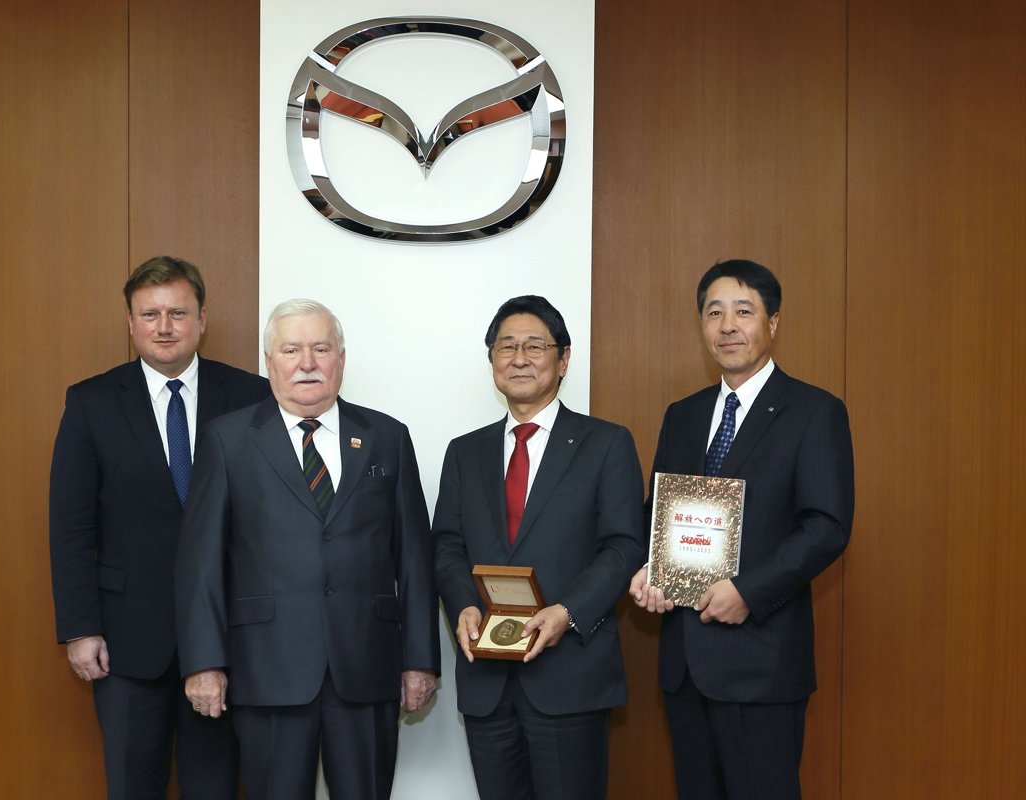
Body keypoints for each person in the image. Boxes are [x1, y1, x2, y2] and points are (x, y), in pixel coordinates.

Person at [174, 299, 440, 800]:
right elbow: (200, 564)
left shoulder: (387, 437)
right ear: (268, 362)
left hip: (366, 667)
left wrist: (420, 660)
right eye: (291, 350)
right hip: (266, 669)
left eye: (321, 348)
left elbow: (415, 560)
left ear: (341, 358)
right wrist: (204, 662)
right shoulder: (227, 441)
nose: (307, 363)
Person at [630, 259, 854, 800]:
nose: (727, 326)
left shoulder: (814, 411)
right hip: (685, 665)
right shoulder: (682, 415)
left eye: (744, 311)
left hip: (762, 662)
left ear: (772, 322)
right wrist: (648, 568)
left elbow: (826, 526)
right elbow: (658, 514)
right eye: (714, 313)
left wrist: (748, 592)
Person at [49, 256, 270, 799]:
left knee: (215, 788)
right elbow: (71, 525)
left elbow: (270, 520)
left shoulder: (251, 396)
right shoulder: (91, 402)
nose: (164, 327)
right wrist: (80, 628)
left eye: (178, 313)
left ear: (202, 319)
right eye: (150, 314)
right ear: (131, 323)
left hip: (225, 641)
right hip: (125, 642)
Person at [433, 295, 646, 800]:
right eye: (506, 347)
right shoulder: (464, 451)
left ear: (563, 359)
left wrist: (567, 612)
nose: (519, 358)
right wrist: (462, 605)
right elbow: (446, 544)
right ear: (492, 361)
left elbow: (623, 545)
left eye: (535, 346)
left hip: (569, 676)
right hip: (487, 680)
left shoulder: (606, 444)